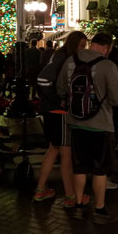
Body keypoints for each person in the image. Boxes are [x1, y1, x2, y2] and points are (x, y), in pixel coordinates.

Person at [56, 32, 118, 224]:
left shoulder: (71, 60)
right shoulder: (107, 65)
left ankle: (79, 206)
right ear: (107, 47)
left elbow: (60, 89)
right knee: (99, 169)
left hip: (75, 123)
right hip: (100, 124)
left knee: (79, 168)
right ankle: (100, 209)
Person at [34, 31, 88, 207]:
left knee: (54, 149)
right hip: (60, 112)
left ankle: (40, 189)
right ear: (75, 45)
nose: (84, 49)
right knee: (66, 153)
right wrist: (60, 99)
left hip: (51, 110)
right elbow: (43, 79)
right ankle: (70, 194)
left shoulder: (59, 56)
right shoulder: (66, 58)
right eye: (82, 46)